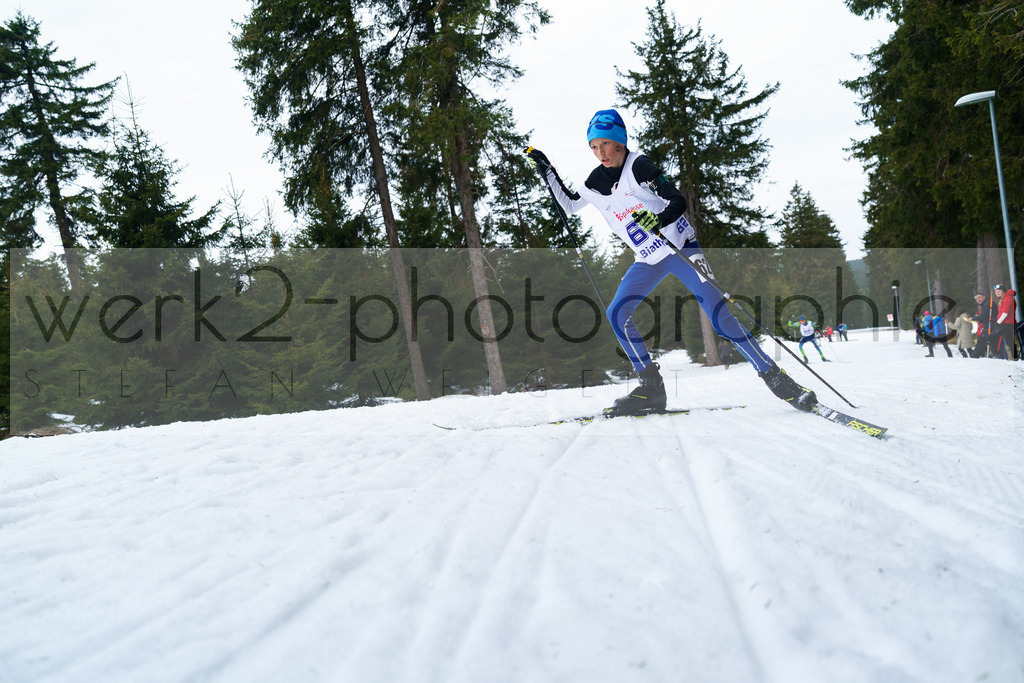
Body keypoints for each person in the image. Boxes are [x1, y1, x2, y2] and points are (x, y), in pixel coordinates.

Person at [527, 109, 817, 415]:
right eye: (594, 147)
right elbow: (571, 205)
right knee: (617, 312)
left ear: (620, 143)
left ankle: (776, 378)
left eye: (605, 145)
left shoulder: (639, 166)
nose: (600, 153)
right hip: (648, 259)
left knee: (719, 313)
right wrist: (547, 171)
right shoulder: (596, 181)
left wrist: (659, 218)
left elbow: (677, 200)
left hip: (681, 249)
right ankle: (651, 388)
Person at [993, 284, 1018, 360]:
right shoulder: (1004, 299)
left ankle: (1012, 357)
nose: (997, 293)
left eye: (999, 291)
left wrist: (998, 322)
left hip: (1007, 323)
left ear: (1003, 291)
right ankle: (1011, 357)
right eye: (996, 291)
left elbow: (1005, 313)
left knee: (1008, 340)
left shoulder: (1007, 298)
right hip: (1005, 323)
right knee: (1008, 340)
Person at [970, 291, 995, 358]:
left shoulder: (987, 304)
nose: (978, 300)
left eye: (979, 297)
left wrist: (973, 318)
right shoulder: (984, 304)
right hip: (988, 326)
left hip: (991, 326)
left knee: (981, 341)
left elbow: (984, 316)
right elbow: (984, 317)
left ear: (984, 297)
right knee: (983, 341)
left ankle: (974, 357)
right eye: (976, 299)